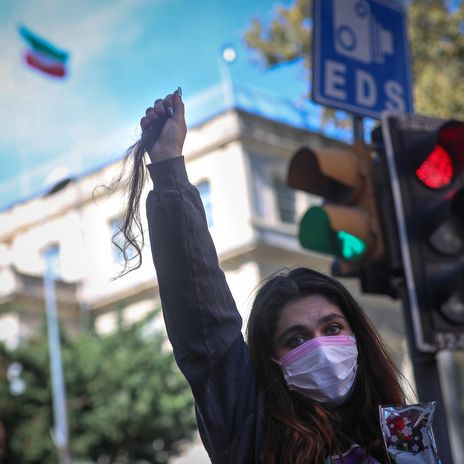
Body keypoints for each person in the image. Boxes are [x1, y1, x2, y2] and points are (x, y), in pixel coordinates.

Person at [120, 89, 407, 463]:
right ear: (272, 359)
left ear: (357, 336)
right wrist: (168, 167)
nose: (321, 347)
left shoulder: (404, 437)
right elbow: (203, 318)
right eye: (296, 338)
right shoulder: (251, 427)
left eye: (332, 328)